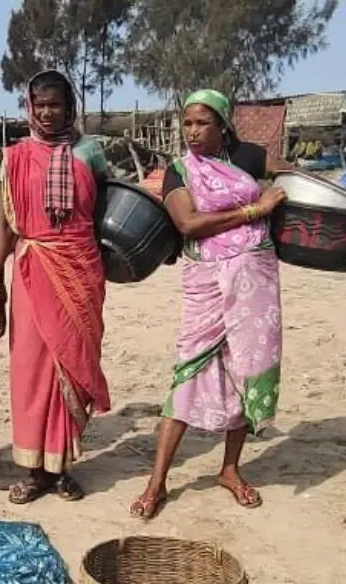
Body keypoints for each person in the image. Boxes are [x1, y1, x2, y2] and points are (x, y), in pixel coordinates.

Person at [130, 90, 292, 520]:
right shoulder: (179, 172)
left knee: (244, 366)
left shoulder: (251, 158)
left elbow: (294, 181)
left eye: (203, 123)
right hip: (207, 282)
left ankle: (230, 469)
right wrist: (256, 208)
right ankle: (157, 481)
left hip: (255, 277)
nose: (193, 132)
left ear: (223, 125)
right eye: (187, 124)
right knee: (187, 371)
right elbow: (189, 224)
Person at [0, 70, 111, 504]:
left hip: (80, 270)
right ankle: (34, 470)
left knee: (71, 367)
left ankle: (63, 467)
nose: (48, 112)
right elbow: (6, 226)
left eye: (56, 104)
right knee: (32, 369)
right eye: (40, 105)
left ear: (70, 107)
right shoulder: (14, 157)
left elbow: (108, 215)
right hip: (34, 269)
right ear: (29, 108)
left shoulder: (91, 152)